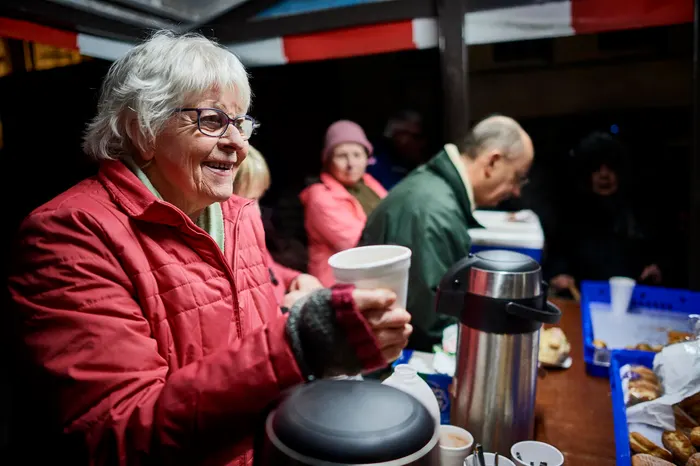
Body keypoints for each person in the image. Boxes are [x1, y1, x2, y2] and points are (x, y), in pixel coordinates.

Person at [6, 31, 412, 465]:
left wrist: (301, 296)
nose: (239, 145)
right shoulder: (71, 236)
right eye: (212, 121)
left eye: (241, 123)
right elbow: (116, 435)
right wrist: (301, 343)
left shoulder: (238, 215)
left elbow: (237, 316)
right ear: (141, 128)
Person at [362, 115, 534, 352]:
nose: (516, 191)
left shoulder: (437, 190)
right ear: (493, 161)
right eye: (518, 177)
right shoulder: (432, 208)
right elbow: (430, 320)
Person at [547, 131, 662, 293]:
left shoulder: (638, 211)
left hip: (633, 300)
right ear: (586, 173)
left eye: (611, 168)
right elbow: (557, 255)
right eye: (596, 168)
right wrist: (559, 275)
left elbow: (658, 251)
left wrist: (656, 267)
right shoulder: (571, 213)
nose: (604, 175)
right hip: (582, 298)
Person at [300, 120, 388, 287]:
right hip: (339, 285)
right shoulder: (320, 196)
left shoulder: (369, 184)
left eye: (357, 155)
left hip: (370, 277)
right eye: (341, 156)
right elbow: (358, 245)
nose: (351, 164)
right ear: (328, 161)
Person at [233, 145, 322, 308]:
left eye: (259, 200)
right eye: (250, 201)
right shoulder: (228, 250)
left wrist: (295, 278)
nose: (258, 211)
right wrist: (284, 308)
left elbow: (269, 269)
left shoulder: (247, 235)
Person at [367, 110, 427, 190]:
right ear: (395, 133)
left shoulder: (413, 161)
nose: (420, 143)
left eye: (419, 137)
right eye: (414, 136)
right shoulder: (375, 158)